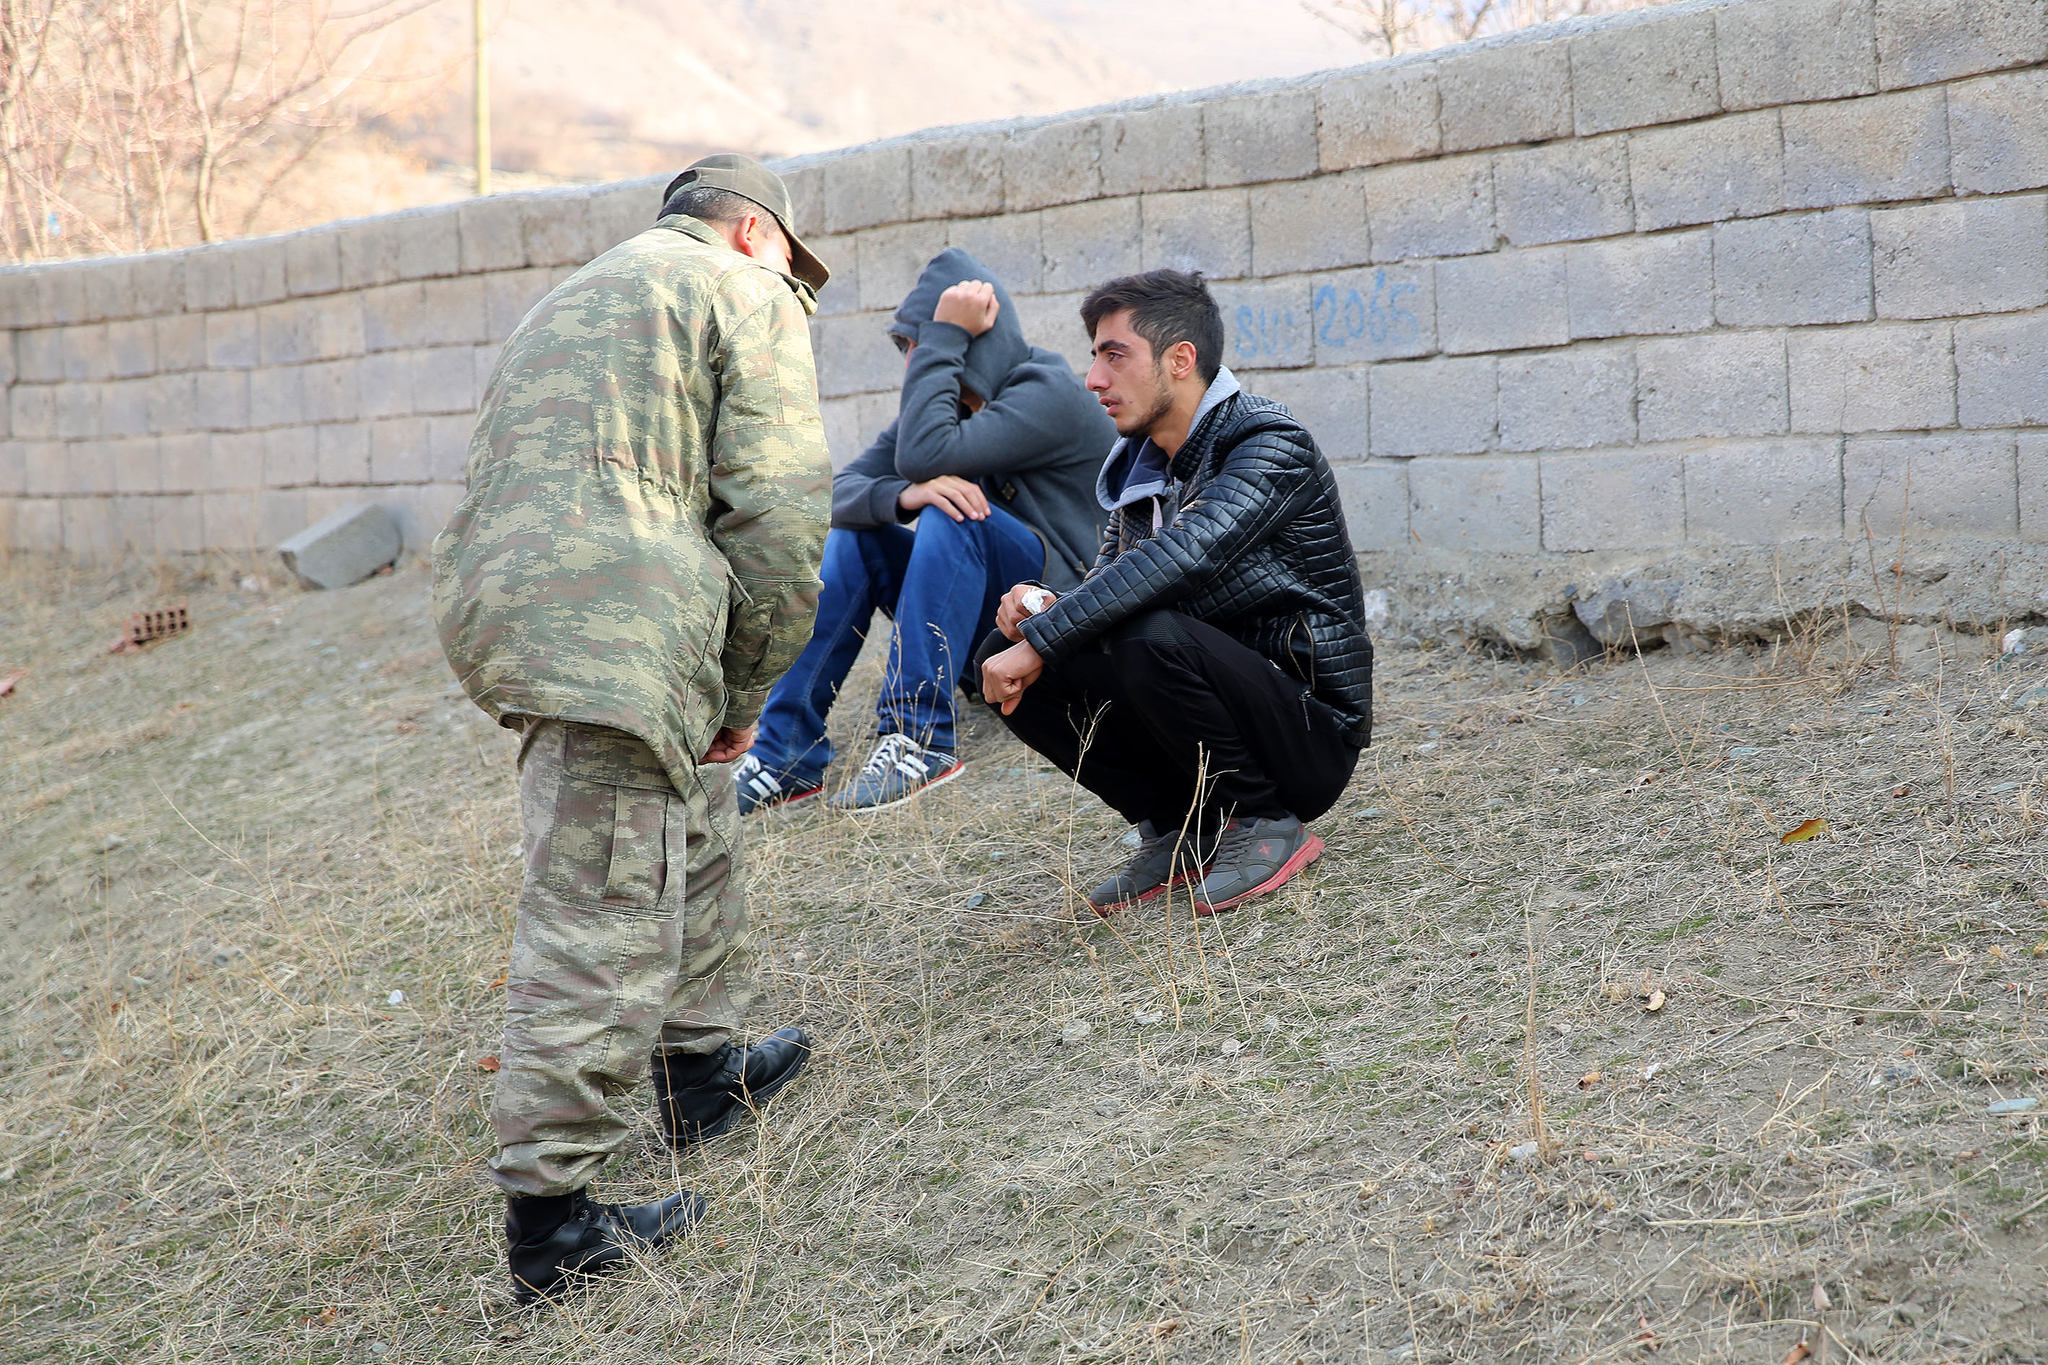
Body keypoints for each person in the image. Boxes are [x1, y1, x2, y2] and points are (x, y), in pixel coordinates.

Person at [432, 154, 831, 1305]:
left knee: (688, 819)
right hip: (616, 613)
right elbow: (779, 505)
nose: (794, 288)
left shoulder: (585, 288)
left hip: (523, 600)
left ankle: (699, 1072)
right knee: (604, 901)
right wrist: (749, 694)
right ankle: (551, 1228)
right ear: (756, 235)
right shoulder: (741, 289)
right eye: (792, 268)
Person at [976, 269, 1373, 915]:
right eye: (1095, 356)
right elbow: (1108, 585)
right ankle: (1182, 828)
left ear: (1180, 360)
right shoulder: (1145, 470)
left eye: (1115, 354)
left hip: (1306, 730)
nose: (1094, 379)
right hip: (1208, 711)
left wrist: (1050, 633)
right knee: (1005, 647)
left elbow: (1183, 558)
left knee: (1139, 629)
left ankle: (1264, 822)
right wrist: (1039, 610)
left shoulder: (1269, 444)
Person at [736, 247, 1112, 813]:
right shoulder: (948, 415)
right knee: (862, 533)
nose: (914, 362)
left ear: (970, 341)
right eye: (911, 346)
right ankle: (784, 753)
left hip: (1068, 636)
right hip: (990, 644)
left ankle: (920, 739)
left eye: (923, 345)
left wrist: (941, 338)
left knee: (955, 508)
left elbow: (923, 453)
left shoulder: (1047, 392)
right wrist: (901, 495)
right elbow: (836, 495)